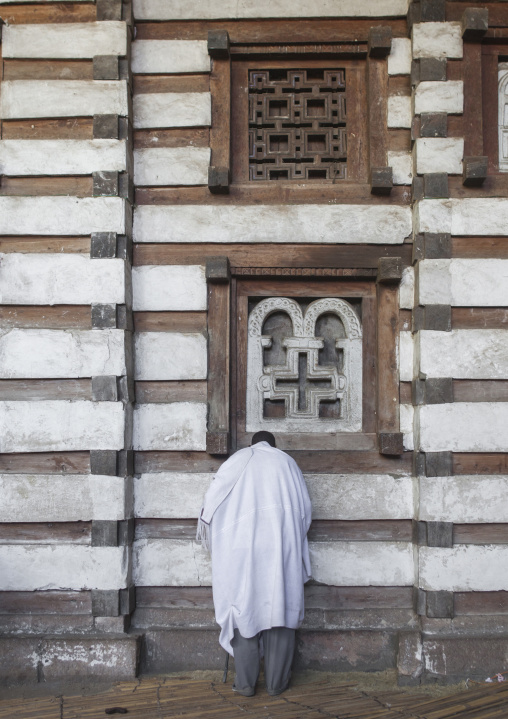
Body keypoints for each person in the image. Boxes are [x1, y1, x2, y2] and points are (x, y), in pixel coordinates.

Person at [197, 431, 312, 697]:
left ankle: (246, 684)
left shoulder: (238, 460)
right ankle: (276, 683)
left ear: (253, 444)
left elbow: (211, 505)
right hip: (282, 547)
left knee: (243, 609)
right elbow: (305, 511)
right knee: (280, 610)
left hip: (242, 550)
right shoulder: (287, 463)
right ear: (274, 445)